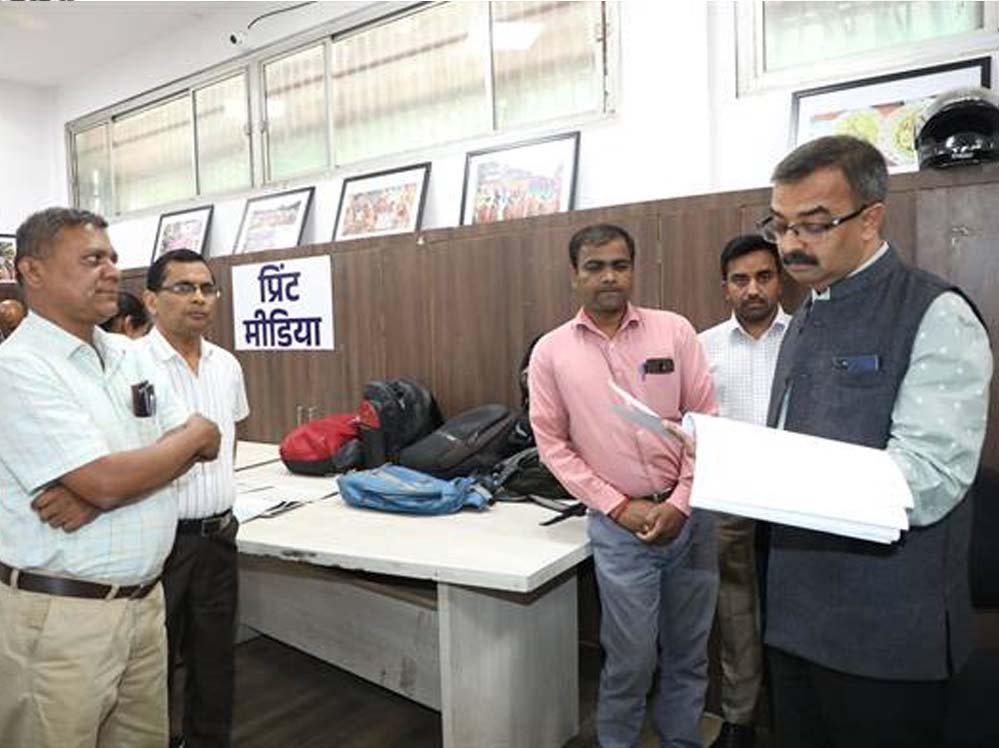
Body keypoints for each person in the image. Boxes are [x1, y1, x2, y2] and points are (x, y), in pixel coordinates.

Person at [663, 135, 992, 748]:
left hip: (886, 635)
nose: (790, 243)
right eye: (780, 224)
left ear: (870, 219)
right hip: (794, 620)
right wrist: (727, 460)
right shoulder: (809, 313)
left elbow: (927, 480)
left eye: (813, 225)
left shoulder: (934, 313)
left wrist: (753, 470)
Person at [0, 207, 221, 748]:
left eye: (114, 258)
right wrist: (117, 480)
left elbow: (208, 439)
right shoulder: (17, 367)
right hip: (61, 622)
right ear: (32, 271)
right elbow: (108, 477)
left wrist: (106, 493)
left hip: (144, 607)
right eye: (92, 259)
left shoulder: (126, 353)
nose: (112, 271)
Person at [529, 223, 719, 748]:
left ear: (633, 269)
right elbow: (553, 445)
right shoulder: (551, 352)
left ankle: (681, 740)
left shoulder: (674, 331)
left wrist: (681, 502)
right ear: (574, 275)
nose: (609, 276)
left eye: (619, 265)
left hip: (690, 520)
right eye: (595, 267)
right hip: (620, 532)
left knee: (689, 652)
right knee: (631, 658)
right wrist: (617, 506)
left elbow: (705, 421)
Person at [139, 249, 249, 748]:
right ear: (151, 300)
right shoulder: (131, 365)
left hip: (218, 536)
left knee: (215, 660)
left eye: (207, 288)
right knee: (151, 665)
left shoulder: (227, 364)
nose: (199, 298)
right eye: (183, 288)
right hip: (159, 541)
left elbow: (231, 439)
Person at [698, 234, 789, 748]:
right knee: (736, 615)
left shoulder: (806, 338)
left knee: (797, 610)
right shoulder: (703, 346)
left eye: (764, 276)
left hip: (796, 501)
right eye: (740, 279)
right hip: (729, 498)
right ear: (725, 287)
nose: (753, 289)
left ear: (781, 280)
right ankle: (739, 721)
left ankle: (798, 718)